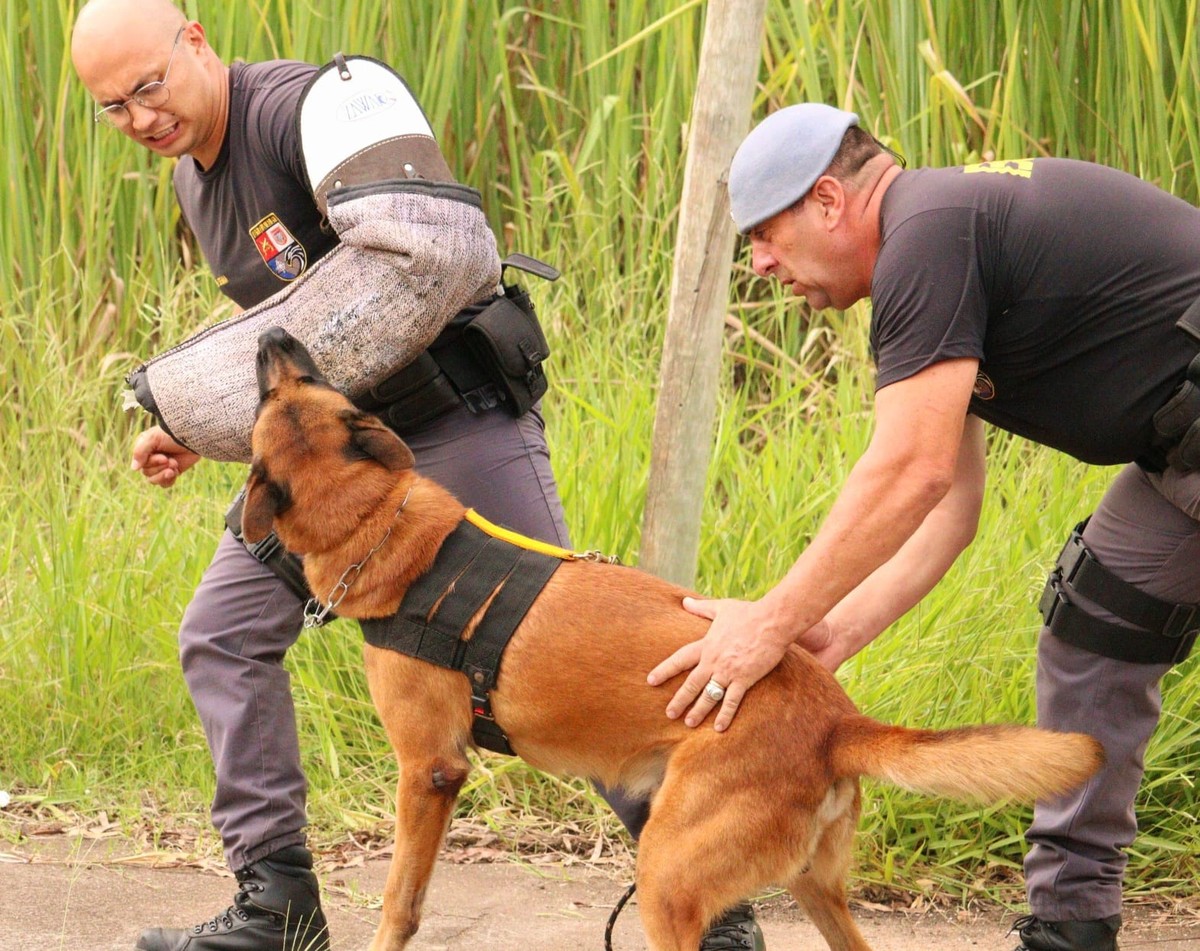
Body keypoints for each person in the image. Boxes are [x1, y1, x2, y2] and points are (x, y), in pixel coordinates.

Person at [71, 2, 767, 949]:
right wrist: (206, 424)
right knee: (221, 635)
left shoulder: (297, 111)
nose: (140, 117)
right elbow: (293, 327)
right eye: (114, 107)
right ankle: (276, 905)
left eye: (148, 87)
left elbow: (421, 259)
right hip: (329, 471)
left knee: (571, 647)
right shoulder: (195, 176)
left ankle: (714, 909)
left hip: (448, 419)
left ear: (194, 41)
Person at [648, 102, 1200, 951]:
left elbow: (912, 470)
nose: (760, 264)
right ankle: (1071, 929)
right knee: (1097, 623)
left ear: (828, 200)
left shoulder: (928, 237)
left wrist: (768, 624)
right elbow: (949, 506)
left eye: (765, 234)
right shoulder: (940, 238)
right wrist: (831, 633)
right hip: (1179, 454)